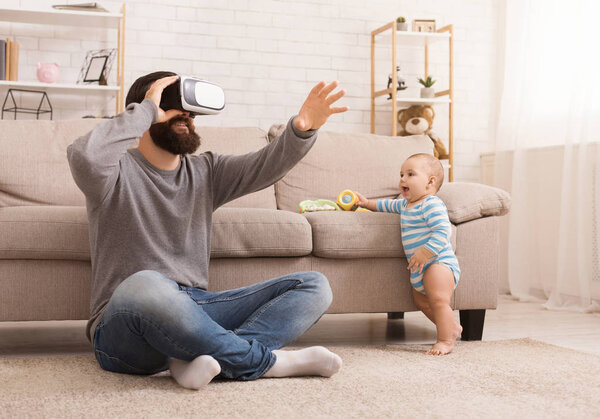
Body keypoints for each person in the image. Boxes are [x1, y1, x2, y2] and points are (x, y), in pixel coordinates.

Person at [67, 71, 348, 389]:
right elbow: (83, 156)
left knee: (314, 286)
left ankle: (192, 359)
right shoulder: (113, 172)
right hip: (124, 323)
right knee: (145, 284)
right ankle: (266, 362)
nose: (184, 115)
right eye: (171, 105)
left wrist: (301, 128)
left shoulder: (205, 171)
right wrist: (146, 110)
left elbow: (264, 165)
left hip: (194, 309)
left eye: (188, 110)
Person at [355, 153, 461, 355]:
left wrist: (426, 252)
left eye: (410, 174)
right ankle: (451, 327)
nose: (403, 179)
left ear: (430, 182)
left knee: (438, 300)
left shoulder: (431, 204)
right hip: (419, 269)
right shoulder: (405, 205)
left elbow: (443, 231)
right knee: (421, 302)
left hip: (439, 262)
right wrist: (366, 203)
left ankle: (445, 340)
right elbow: (385, 205)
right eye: (401, 174)